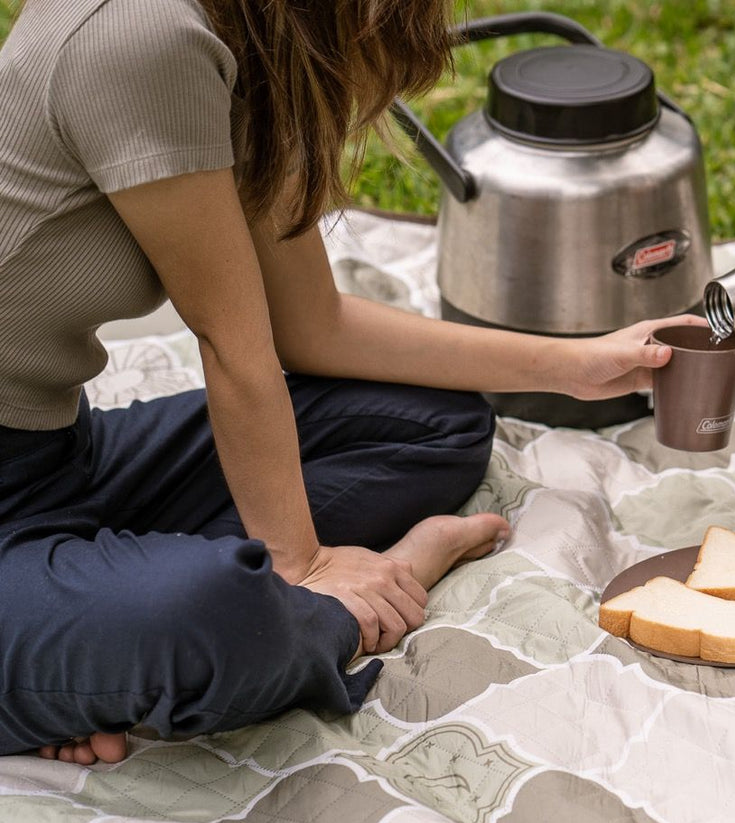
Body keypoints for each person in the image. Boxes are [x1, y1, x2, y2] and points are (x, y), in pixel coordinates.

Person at [0, 0, 697, 764]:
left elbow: (311, 329)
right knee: (221, 615)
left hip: (52, 458)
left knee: (435, 424)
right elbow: (234, 346)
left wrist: (574, 364)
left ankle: (87, 640)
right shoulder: (141, 35)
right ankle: (213, 623)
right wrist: (304, 569)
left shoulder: (252, 48)